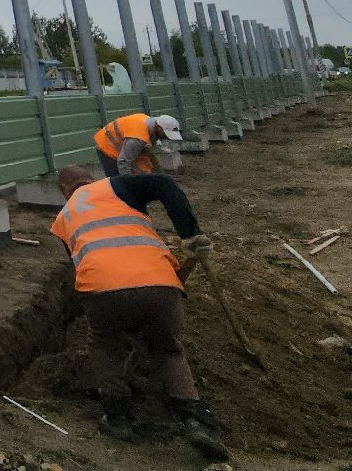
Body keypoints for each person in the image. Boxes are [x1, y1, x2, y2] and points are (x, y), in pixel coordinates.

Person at [49, 164, 227, 459]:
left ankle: (118, 418)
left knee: (104, 343)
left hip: (102, 288)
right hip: (159, 283)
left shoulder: (63, 218)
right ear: (91, 180)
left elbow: (80, 262)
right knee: (168, 348)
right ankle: (196, 421)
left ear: (64, 191)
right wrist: (189, 233)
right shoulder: (116, 186)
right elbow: (165, 184)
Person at [94, 112, 182, 177]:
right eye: (165, 134)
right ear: (158, 128)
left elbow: (147, 155)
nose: (165, 137)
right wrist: (129, 182)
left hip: (123, 143)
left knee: (142, 169)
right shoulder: (137, 138)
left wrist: (158, 173)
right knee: (116, 180)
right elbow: (123, 161)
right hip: (106, 146)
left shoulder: (148, 122)